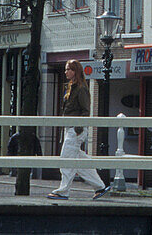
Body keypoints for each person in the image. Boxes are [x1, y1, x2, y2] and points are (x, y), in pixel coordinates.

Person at [47, 60, 111, 200]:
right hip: (70, 128)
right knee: (79, 161)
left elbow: (85, 110)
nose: (66, 72)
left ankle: (63, 191)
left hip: (75, 130)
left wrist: (78, 128)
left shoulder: (81, 89)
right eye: (65, 69)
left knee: (66, 158)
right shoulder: (71, 87)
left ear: (75, 71)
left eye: (68, 69)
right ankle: (100, 186)